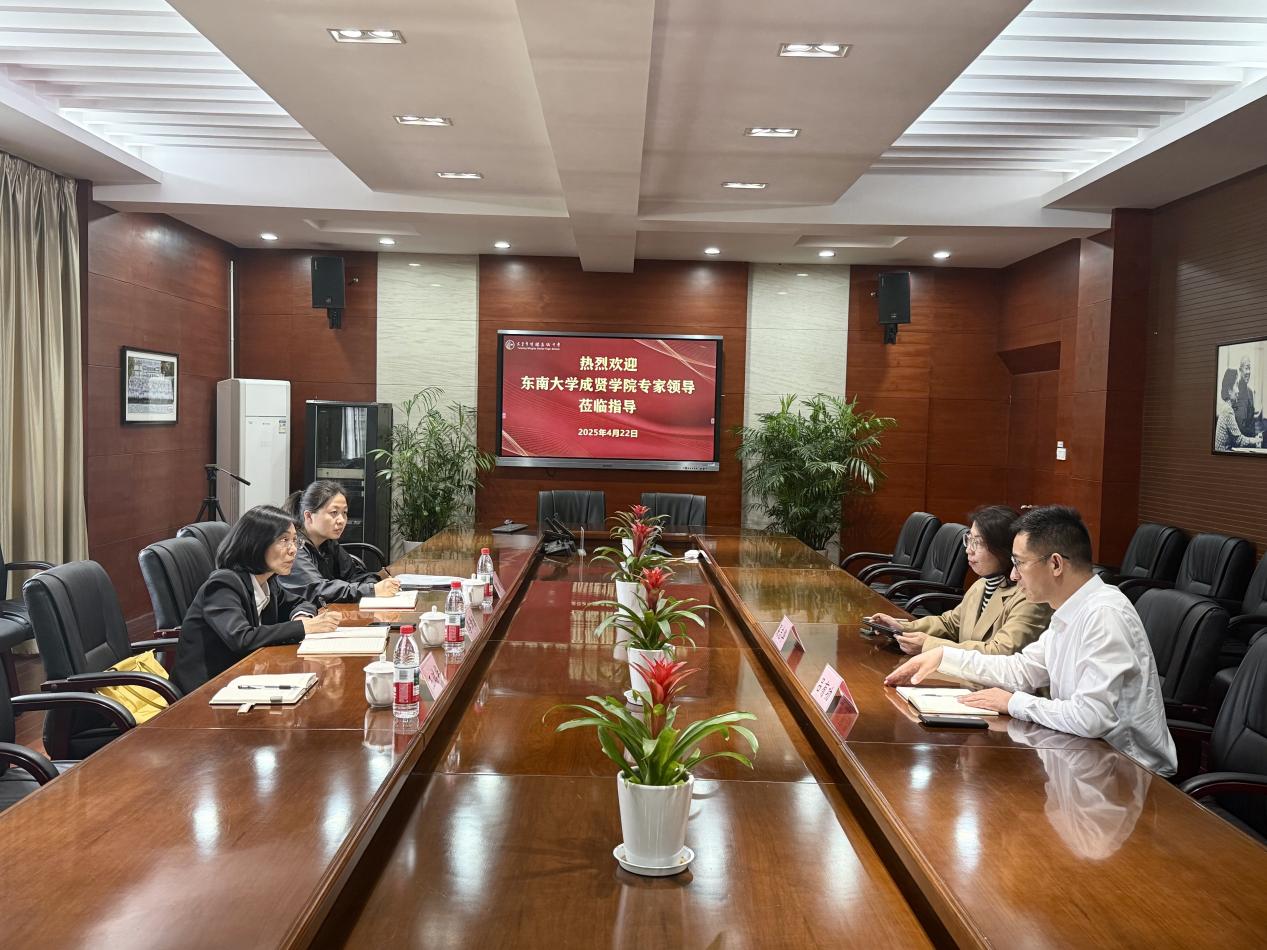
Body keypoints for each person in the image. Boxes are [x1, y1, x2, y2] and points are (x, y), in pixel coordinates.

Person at [884, 505, 1177, 776]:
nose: (1013, 575)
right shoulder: (1071, 610)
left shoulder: (1104, 615)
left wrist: (1014, 702)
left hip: (1129, 773)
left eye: (1020, 563)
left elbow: (1091, 717)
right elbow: (1022, 670)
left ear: (1056, 564)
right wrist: (943, 657)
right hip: (1084, 760)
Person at [172, 505, 340, 693]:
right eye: (284, 540)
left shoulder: (267, 581)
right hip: (207, 690)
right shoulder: (223, 585)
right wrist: (303, 627)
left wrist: (301, 617)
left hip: (246, 677)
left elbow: (300, 602)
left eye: (295, 540)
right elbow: (241, 638)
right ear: (256, 543)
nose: (293, 550)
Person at [868, 505, 1050, 656]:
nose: (969, 550)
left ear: (1004, 548)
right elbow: (951, 623)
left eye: (977, 543)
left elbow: (1001, 651)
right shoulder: (982, 583)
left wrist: (930, 645)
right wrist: (902, 627)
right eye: (969, 540)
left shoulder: (1029, 596)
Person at [279, 480, 401, 605]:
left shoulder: (328, 542)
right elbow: (318, 590)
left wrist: (375, 584)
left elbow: (354, 575)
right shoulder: (294, 548)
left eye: (344, 513)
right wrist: (371, 590)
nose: (341, 520)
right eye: (334, 512)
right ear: (309, 516)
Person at [1216, 367, 1262, 451]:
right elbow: (1239, 440)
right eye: (1236, 385)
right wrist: (1256, 440)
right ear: (1229, 390)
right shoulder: (1227, 410)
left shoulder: (1226, 407)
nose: (1238, 391)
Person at [1232, 355, 1261, 440]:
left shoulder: (1250, 392)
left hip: (1250, 440)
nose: (1248, 372)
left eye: (1249, 369)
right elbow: (1239, 426)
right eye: (1246, 368)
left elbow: (1251, 422)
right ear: (1240, 370)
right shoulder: (1235, 392)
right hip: (1238, 440)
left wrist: (1255, 438)